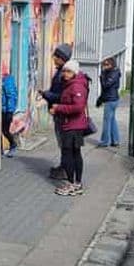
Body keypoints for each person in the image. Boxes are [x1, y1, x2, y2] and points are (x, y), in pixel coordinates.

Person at [48, 59, 89, 196]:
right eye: (64, 71)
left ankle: (73, 184)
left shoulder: (76, 86)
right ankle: (76, 183)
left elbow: (78, 107)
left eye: (68, 71)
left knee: (69, 155)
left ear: (75, 72)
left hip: (73, 126)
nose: (65, 73)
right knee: (73, 154)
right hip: (71, 124)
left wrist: (59, 108)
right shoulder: (70, 83)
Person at [38, 43, 72, 179]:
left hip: (61, 112)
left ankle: (65, 170)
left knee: (64, 142)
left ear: (61, 58)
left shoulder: (64, 74)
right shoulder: (61, 71)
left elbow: (62, 96)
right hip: (58, 111)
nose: (53, 58)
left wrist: (46, 94)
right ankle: (63, 167)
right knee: (62, 142)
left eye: (55, 56)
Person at [97, 57, 121, 147]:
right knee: (112, 120)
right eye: (104, 64)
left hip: (110, 100)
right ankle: (115, 140)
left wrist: (102, 75)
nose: (104, 66)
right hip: (113, 99)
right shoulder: (113, 72)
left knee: (107, 121)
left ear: (112, 65)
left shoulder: (112, 74)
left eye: (107, 65)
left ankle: (105, 141)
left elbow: (105, 85)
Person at [1, 72, 18, 157]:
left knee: (5, 130)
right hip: (0, 109)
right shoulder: (3, 79)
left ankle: (13, 145)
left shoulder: (7, 80)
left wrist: (10, 111)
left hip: (6, 111)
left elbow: (11, 96)